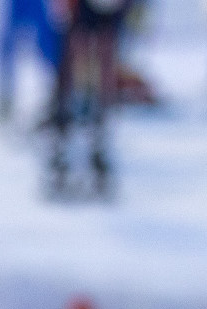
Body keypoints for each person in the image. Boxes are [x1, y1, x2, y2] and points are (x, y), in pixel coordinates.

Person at [47, 0, 136, 197]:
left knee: (103, 56)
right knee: (76, 56)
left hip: (107, 10)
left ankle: (95, 137)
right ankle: (65, 137)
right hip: (80, 11)